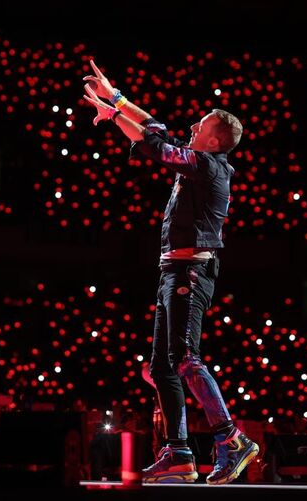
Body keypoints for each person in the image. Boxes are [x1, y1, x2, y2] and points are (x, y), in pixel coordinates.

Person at [83, 60, 257, 485]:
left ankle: (232, 439)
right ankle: (178, 453)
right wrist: (116, 98)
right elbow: (155, 129)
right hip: (172, 272)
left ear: (215, 139)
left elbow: (156, 146)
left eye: (200, 126)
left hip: (190, 274)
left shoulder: (209, 165)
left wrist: (113, 114)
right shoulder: (198, 159)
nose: (192, 128)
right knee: (161, 366)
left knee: (184, 359)